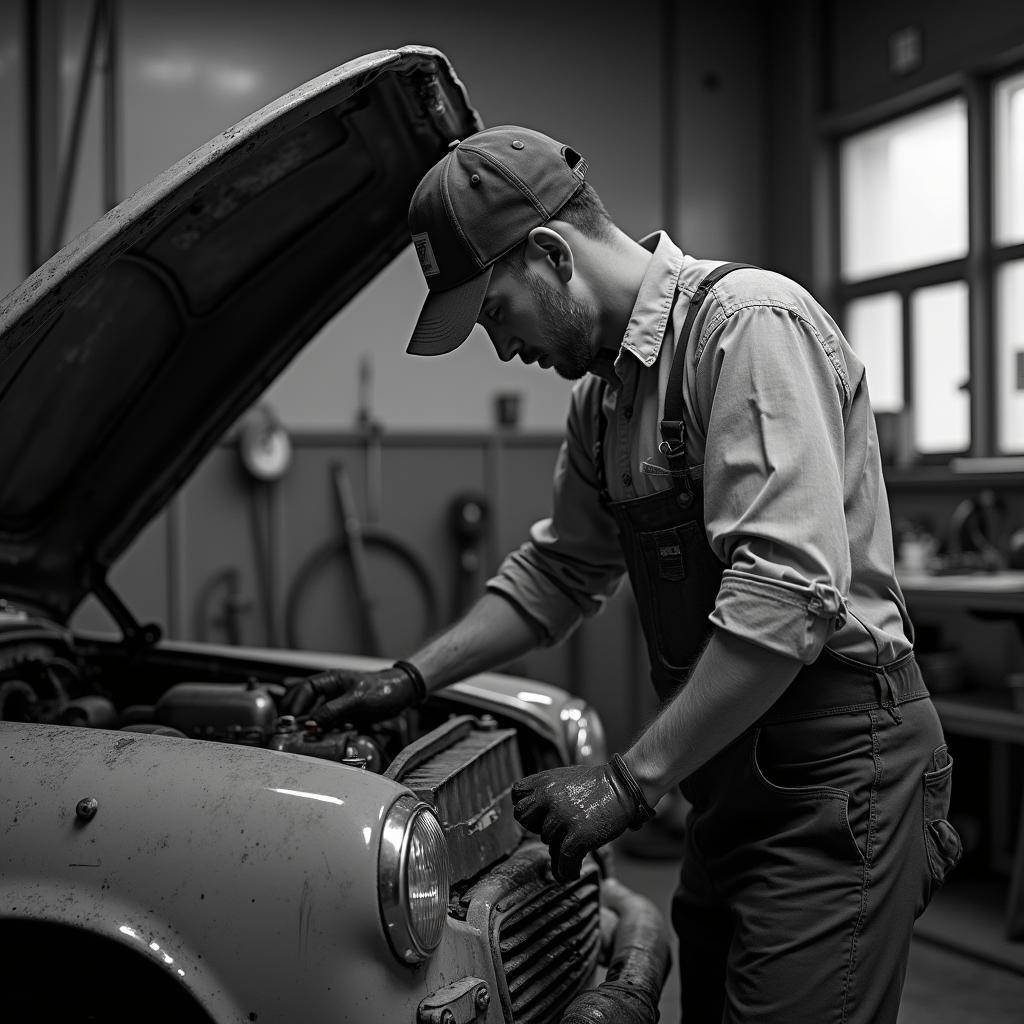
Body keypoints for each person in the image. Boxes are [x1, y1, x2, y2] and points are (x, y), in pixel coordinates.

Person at [281, 126, 963, 1022]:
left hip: (837, 771)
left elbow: (786, 596)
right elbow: (559, 574)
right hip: (726, 776)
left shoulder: (748, 328)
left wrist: (627, 781)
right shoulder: (603, 403)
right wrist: (409, 677)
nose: (499, 347)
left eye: (494, 313)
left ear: (553, 255)